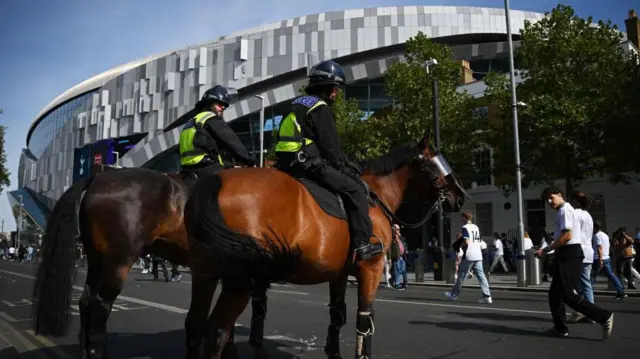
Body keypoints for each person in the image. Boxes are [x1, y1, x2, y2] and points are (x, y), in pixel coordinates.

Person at [273, 59, 382, 262]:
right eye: (336, 88)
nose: (337, 93)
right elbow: (330, 146)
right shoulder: (320, 107)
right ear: (327, 88)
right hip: (308, 164)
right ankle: (362, 244)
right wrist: (343, 168)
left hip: (286, 164)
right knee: (356, 190)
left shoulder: (295, 104)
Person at [534, 186, 613, 339]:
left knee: (566, 294)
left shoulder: (565, 211)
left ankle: (603, 316)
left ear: (560, 194)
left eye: (552, 197)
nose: (550, 202)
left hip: (570, 254)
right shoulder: (567, 210)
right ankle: (559, 327)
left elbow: (567, 236)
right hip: (568, 253)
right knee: (554, 294)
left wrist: (546, 250)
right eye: (547, 200)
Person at [179, 85, 255, 179]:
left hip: (186, 170)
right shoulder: (210, 118)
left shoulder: (191, 123)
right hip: (206, 167)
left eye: (224, 106)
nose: (223, 107)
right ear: (210, 103)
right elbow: (231, 141)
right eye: (220, 104)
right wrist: (249, 160)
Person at [444, 210, 492, 304]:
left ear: (464, 218)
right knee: (481, 276)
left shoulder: (465, 227)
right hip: (478, 254)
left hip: (470, 254)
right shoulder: (476, 227)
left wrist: (460, 246)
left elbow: (466, 241)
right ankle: (487, 296)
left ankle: (454, 294)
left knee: (461, 276)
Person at [566, 191, 595, 324]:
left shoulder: (574, 214)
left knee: (574, 285)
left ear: (575, 201)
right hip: (588, 251)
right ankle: (591, 313)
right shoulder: (588, 215)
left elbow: (569, 234)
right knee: (586, 283)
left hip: (577, 251)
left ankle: (579, 311)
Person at [591, 221, 626, 300]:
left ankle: (586, 293)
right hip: (606, 258)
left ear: (595, 228)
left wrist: (600, 259)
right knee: (611, 275)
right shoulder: (605, 235)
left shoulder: (597, 236)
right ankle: (621, 292)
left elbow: (600, 247)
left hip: (598, 258)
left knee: (592, 276)